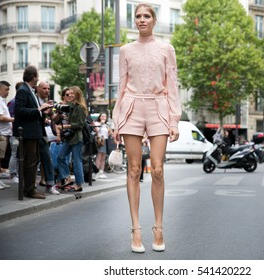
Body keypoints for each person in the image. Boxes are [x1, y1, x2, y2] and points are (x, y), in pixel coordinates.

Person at [112, 3, 181, 253]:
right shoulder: (126, 50)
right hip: (131, 107)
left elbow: (171, 83)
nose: (142, 20)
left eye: (146, 16)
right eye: (138, 16)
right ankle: (136, 229)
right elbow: (121, 84)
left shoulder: (166, 48)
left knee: (158, 169)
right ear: (135, 21)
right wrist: (116, 120)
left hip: (158, 107)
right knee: (133, 169)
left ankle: (159, 227)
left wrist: (174, 119)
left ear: (154, 20)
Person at [13, 65, 51, 199]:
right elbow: (20, 111)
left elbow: (31, 111)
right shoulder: (23, 90)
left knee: (32, 161)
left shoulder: (29, 90)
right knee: (30, 161)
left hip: (32, 132)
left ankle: (29, 189)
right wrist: (38, 109)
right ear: (33, 77)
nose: (38, 78)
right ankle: (29, 190)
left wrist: (42, 111)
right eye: (37, 76)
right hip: (28, 132)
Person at [55, 86, 87, 192]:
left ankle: (79, 184)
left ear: (77, 94)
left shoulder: (80, 107)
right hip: (69, 137)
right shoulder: (71, 106)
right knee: (60, 157)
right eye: (68, 94)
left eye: (72, 93)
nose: (70, 95)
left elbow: (80, 125)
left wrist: (65, 126)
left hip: (76, 137)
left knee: (76, 161)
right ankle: (67, 178)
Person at [36, 81, 60, 195]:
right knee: (32, 160)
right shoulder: (34, 100)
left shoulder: (48, 102)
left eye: (48, 89)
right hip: (32, 134)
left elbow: (54, 118)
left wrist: (58, 113)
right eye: (44, 88)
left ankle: (50, 184)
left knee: (47, 158)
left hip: (43, 135)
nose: (47, 91)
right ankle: (29, 185)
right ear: (38, 89)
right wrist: (41, 110)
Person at [6, 82, 23, 184]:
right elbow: (10, 118)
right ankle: (12, 174)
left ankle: (16, 173)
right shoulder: (13, 102)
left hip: (18, 132)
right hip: (14, 132)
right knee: (14, 153)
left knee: (18, 154)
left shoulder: (17, 101)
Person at [94, 112, 111, 179]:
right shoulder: (97, 124)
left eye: (105, 116)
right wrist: (101, 124)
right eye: (102, 116)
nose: (104, 118)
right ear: (100, 117)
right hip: (100, 141)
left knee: (104, 157)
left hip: (105, 140)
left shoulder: (106, 125)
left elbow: (108, 133)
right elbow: (97, 132)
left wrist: (109, 131)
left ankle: (102, 171)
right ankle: (97, 171)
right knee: (99, 156)